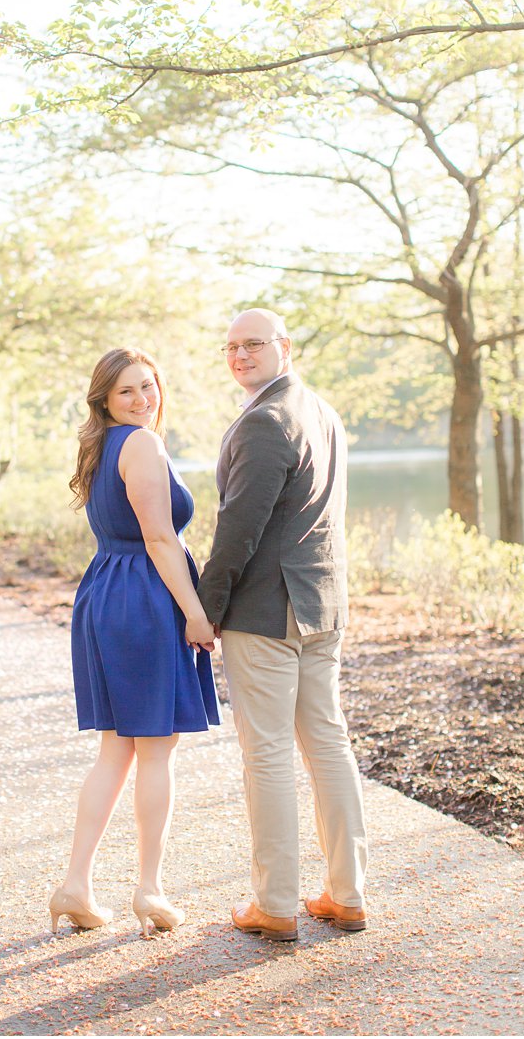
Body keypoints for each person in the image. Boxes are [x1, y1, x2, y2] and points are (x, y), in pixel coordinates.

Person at [198, 308, 369, 942]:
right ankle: (346, 894)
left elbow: (238, 530)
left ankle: (274, 905)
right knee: (328, 746)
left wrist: (205, 609)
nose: (240, 355)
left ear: (284, 347)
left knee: (267, 754)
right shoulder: (321, 411)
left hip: (270, 612)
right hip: (322, 605)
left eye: (253, 344)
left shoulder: (266, 420)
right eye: (231, 346)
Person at [49, 347, 221, 936]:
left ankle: (75, 884)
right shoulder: (141, 444)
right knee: (155, 749)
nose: (143, 399)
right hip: (144, 598)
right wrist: (195, 614)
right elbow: (159, 540)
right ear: (105, 399)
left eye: (149, 386)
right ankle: (149, 889)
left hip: (106, 592)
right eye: (127, 391)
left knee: (117, 749)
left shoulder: (103, 445)